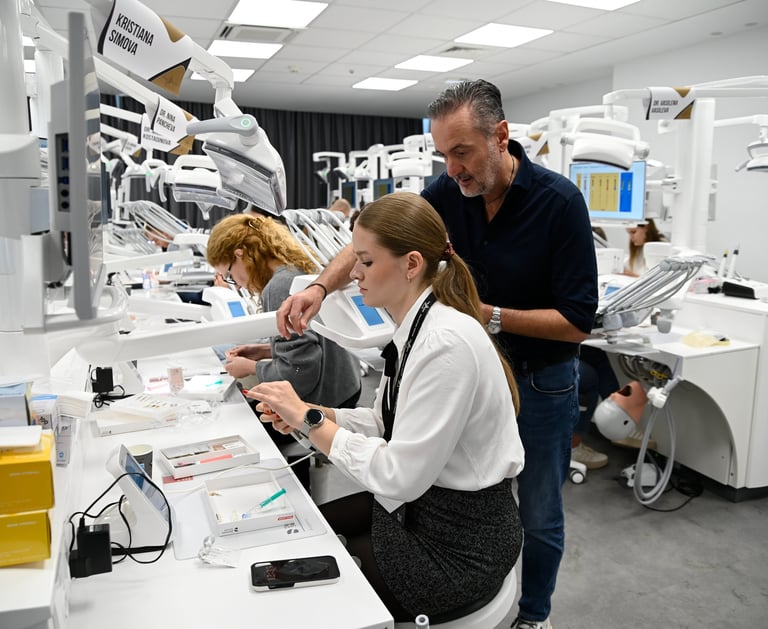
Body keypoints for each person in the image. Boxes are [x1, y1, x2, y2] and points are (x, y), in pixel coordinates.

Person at [276, 79, 598, 629]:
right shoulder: (448, 199)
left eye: (462, 152)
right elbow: (379, 236)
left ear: (500, 137)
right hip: (472, 363)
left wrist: (483, 315)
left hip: (539, 374)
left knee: (540, 511)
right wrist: (320, 288)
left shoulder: (558, 203)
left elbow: (576, 322)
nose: (452, 169)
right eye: (443, 154)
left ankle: (534, 616)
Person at [249, 192, 525, 623]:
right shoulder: (418, 327)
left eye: (366, 261)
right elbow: (383, 422)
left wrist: (310, 420)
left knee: (303, 595)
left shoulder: (445, 344)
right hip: (430, 509)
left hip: (462, 545)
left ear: (411, 264)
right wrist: (308, 412)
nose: (354, 274)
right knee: (299, 531)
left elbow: (400, 476)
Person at [206, 213, 362, 489]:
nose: (237, 284)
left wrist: (250, 368)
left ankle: (293, 496)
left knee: (240, 428)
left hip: (325, 398)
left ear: (240, 255)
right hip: (345, 386)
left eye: (230, 274)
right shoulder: (294, 270)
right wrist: (265, 351)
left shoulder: (278, 287)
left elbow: (300, 373)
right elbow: (310, 344)